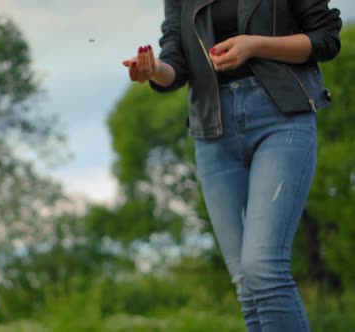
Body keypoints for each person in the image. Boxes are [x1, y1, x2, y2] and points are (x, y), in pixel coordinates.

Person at [122, 1, 342, 331]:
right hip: (214, 132)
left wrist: (254, 44)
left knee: (264, 270)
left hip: (281, 119)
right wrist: (153, 69)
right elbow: (176, 64)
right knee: (248, 287)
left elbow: (326, 38)